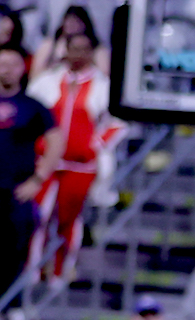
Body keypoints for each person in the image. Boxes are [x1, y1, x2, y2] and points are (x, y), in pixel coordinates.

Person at [26, 29, 114, 281]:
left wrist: (94, 144)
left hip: (80, 165)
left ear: (90, 53)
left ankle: (60, 271)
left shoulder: (102, 85)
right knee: (37, 217)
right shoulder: (48, 81)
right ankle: (32, 272)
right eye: (73, 48)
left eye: (83, 49)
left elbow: (116, 123)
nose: (77, 54)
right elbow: (31, 111)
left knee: (68, 219)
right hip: (46, 162)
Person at [0, 44, 56, 297]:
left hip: (16, 193)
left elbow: (57, 140)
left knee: (14, 251)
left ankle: (10, 304)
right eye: (2, 64)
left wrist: (38, 178)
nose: (6, 70)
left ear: (23, 68)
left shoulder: (32, 106)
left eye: (12, 65)